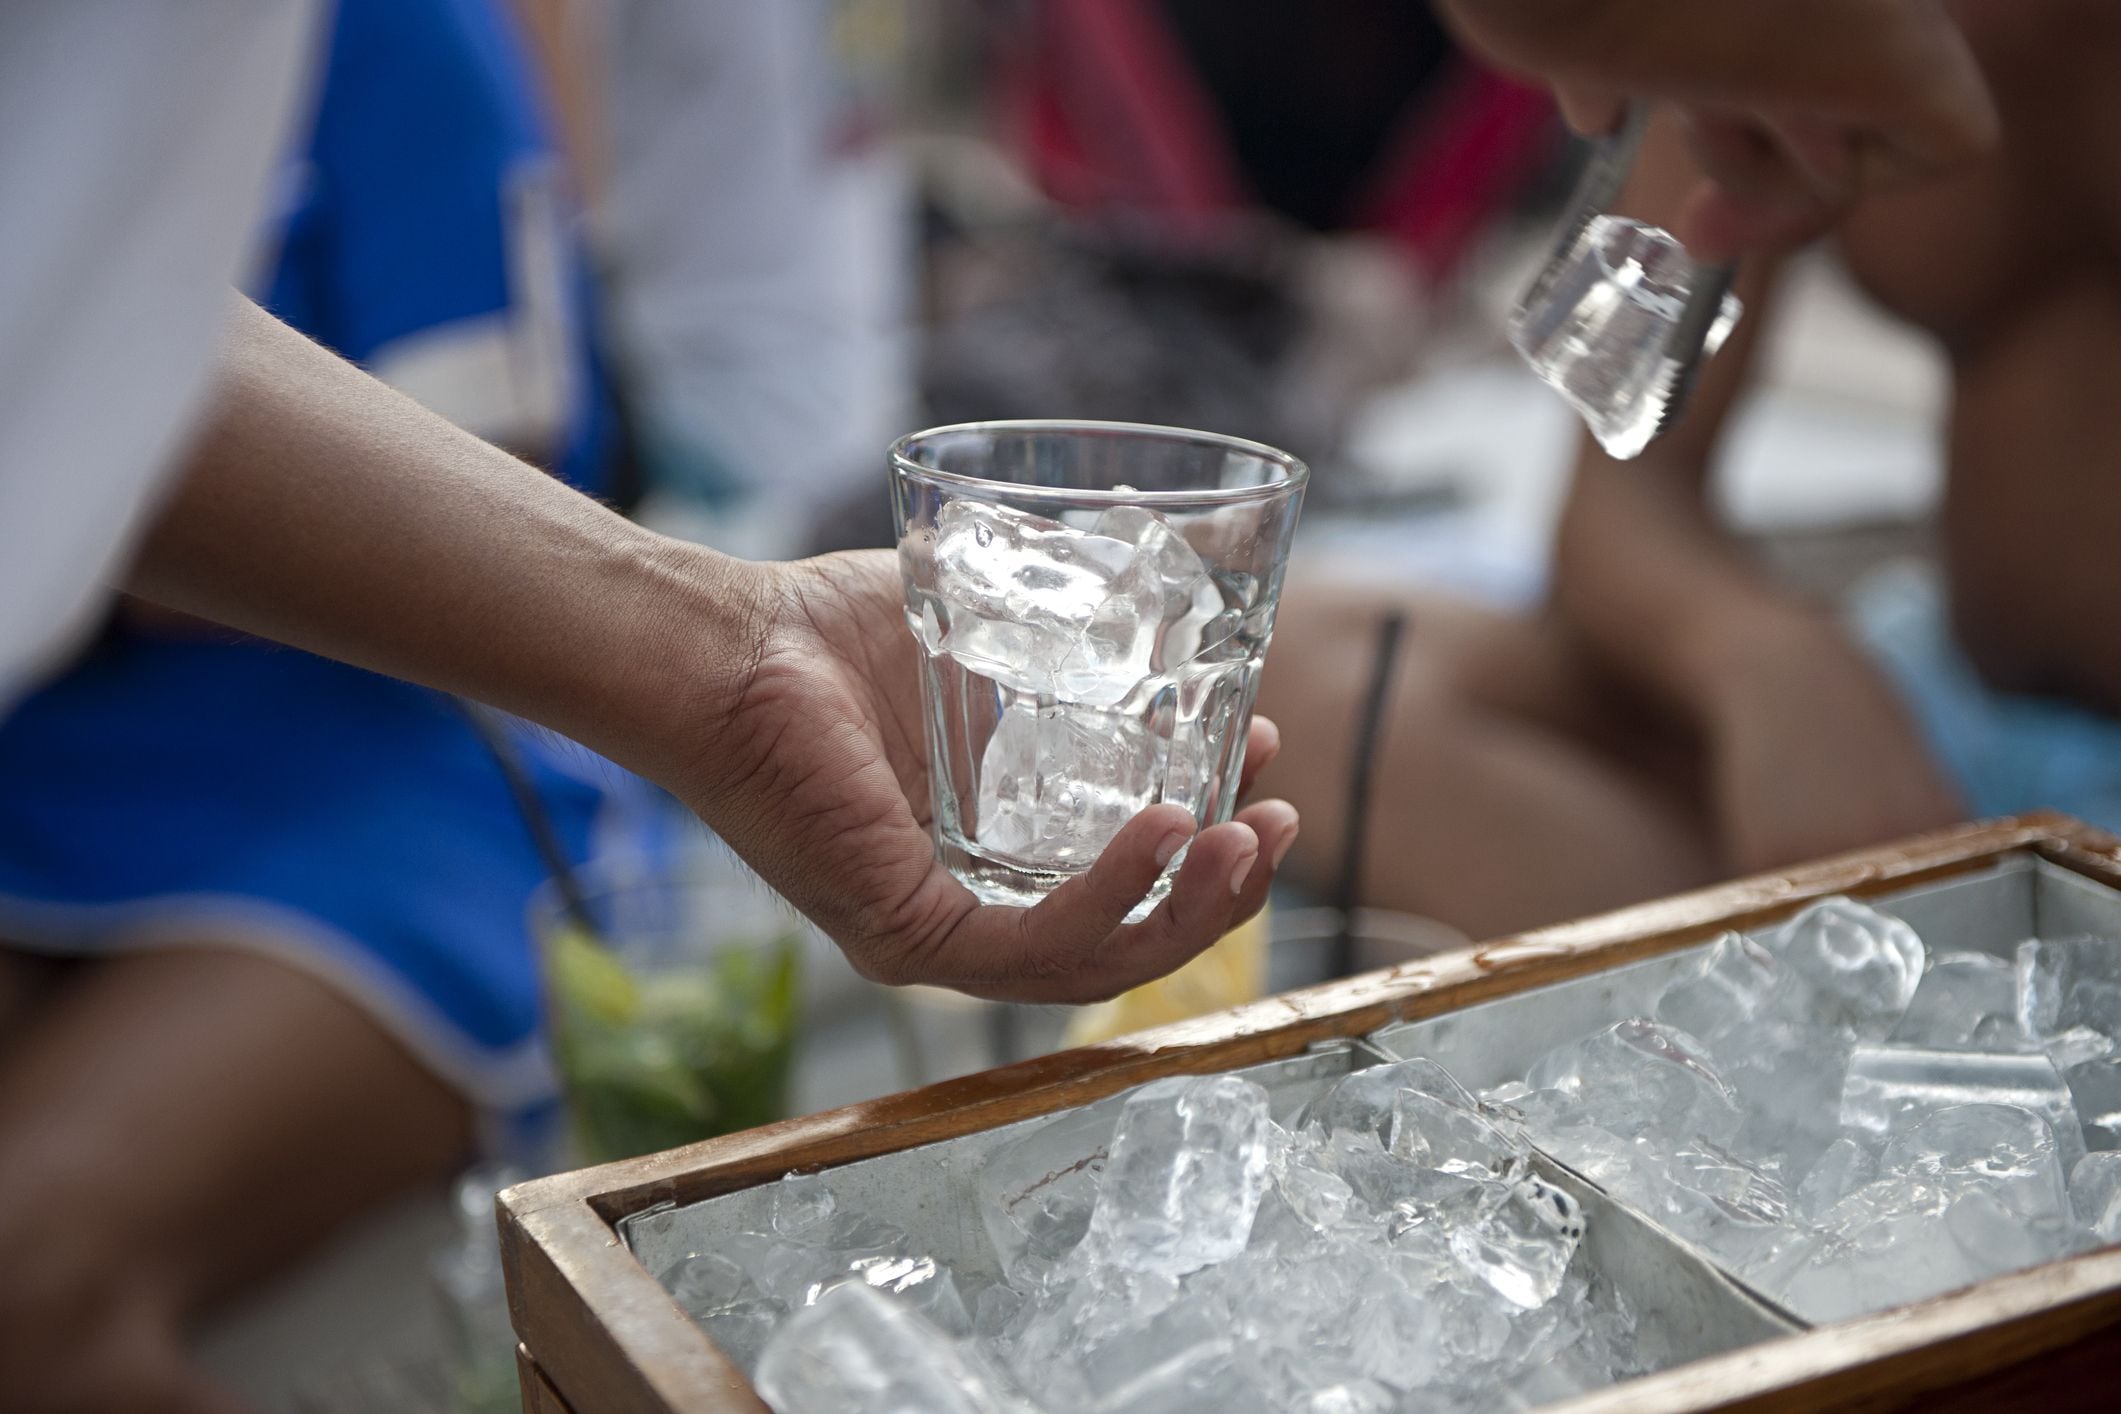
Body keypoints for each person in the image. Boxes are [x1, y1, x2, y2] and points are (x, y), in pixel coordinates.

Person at [0, 2, 658, 1407]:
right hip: (45, 768)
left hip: (380, 766)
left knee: (22, 1270)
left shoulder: (387, 30)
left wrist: (77, 504)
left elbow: (516, 455)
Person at [1257, 4, 2120, 941]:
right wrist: (1762, 656)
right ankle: (1897, 990)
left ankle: (1900, 1005)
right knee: (1305, 669)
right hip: (1949, 711)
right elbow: (1622, 489)